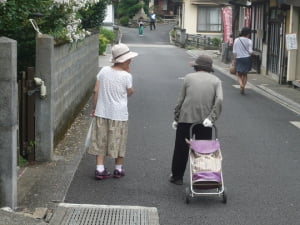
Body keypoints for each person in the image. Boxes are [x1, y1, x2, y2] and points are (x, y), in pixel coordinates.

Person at [169, 55, 223, 185]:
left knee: (181, 149)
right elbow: (219, 100)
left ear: (196, 67)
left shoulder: (188, 78)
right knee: (202, 151)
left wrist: (177, 117)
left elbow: (180, 100)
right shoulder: (216, 81)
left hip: (186, 118)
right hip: (205, 121)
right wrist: (212, 118)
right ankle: (203, 177)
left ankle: (177, 177)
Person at [88, 43, 138, 180]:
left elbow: (95, 91)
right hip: (119, 114)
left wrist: (94, 108)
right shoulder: (126, 76)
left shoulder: (103, 71)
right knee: (119, 140)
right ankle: (118, 169)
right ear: (125, 61)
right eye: (129, 60)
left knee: (100, 140)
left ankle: (100, 169)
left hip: (102, 111)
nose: (131, 61)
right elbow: (129, 92)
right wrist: (129, 89)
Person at [232, 27, 253, 94]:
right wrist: (252, 52)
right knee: (245, 74)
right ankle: (243, 86)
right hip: (247, 58)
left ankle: (241, 84)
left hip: (239, 58)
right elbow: (250, 51)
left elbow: (234, 51)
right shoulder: (249, 41)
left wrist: (234, 59)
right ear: (248, 34)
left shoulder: (236, 40)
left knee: (239, 74)